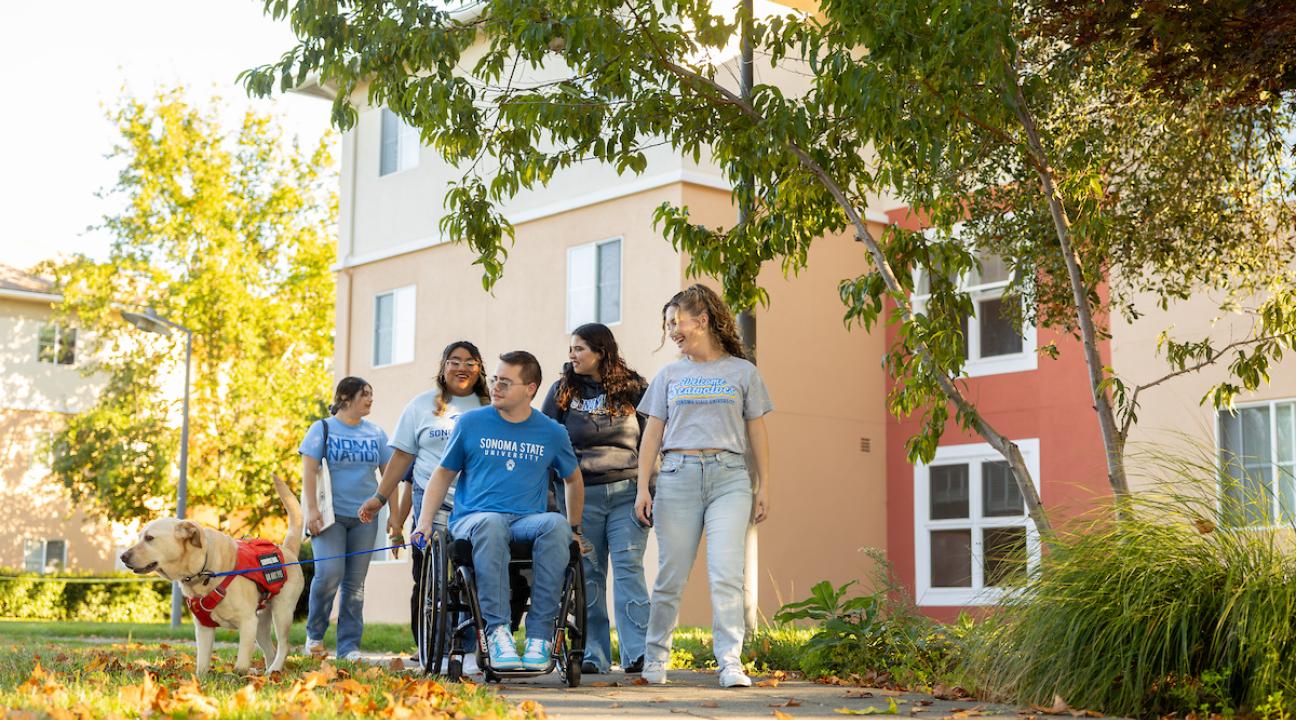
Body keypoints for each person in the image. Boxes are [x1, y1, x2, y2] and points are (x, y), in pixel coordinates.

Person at [633, 284, 773, 688]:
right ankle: (656, 658)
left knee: (727, 574)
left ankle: (730, 662)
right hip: (678, 475)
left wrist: (764, 486)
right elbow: (652, 435)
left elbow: (758, 433)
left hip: (730, 478)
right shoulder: (670, 374)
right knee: (671, 575)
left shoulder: (743, 372)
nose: (672, 331)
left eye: (676, 322)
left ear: (703, 320)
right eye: (668, 325)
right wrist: (644, 487)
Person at [412, 351, 586, 671]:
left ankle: (539, 637)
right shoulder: (471, 423)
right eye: (495, 379)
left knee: (556, 525)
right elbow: (442, 475)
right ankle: (497, 632)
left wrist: (574, 527)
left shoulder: (551, 432)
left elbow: (573, 479)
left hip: (525, 521)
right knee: (492, 523)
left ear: (530, 389)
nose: (496, 387)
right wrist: (424, 523)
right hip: (474, 519)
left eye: (505, 381)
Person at [358, 341, 490, 661]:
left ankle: (467, 647)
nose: (462, 367)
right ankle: (430, 645)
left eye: (470, 362)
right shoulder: (420, 406)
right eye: (454, 361)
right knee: (428, 576)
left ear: (480, 369)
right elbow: (402, 456)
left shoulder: (491, 407)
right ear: (443, 367)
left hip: (479, 501)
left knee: (475, 573)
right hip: (431, 501)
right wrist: (380, 497)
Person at [541, 323, 650, 675]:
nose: (572, 355)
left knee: (629, 570)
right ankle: (593, 654)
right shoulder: (561, 390)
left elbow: (652, 441)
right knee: (588, 574)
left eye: (579, 349)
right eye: (571, 349)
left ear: (601, 351)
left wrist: (651, 490)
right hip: (578, 496)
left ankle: (639, 653)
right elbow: (544, 444)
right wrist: (551, 501)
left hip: (627, 494)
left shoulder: (634, 387)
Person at [300, 376, 393, 661]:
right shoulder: (322, 429)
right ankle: (314, 636)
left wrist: (393, 513)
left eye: (371, 394)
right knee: (329, 574)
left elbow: (390, 474)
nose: (370, 399)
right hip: (330, 517)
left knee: (354, 585)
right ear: (345, 398)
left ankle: (349, 647)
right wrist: (311, 510)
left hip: (365, 519)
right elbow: (308, 471)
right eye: (364, 394)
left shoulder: (376, 433)